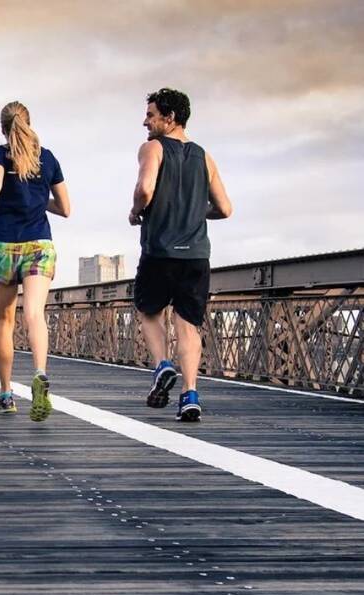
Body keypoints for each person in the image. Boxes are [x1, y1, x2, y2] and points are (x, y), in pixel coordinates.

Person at [128, 87, 232, 422]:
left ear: (169, 118)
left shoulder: (153, 148)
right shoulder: (205, 156)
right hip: (197, 255)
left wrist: (136, 211)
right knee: (188, 326)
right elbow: (225, 209)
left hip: (160, 250)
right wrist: (195, 213)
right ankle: (190, 395)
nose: (145, 122)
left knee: (148, 311)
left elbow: (145, 189)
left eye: (150, 115)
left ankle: (162, 366)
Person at [0, 101, 70, 420]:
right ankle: (39, 372)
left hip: (4, 244)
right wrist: (38, 199)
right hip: (39, 242)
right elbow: (65, 208)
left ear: (2, 127)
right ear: (28, 122)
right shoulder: (47, 158)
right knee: (35, 314)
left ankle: (7, 394)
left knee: (4, 320)